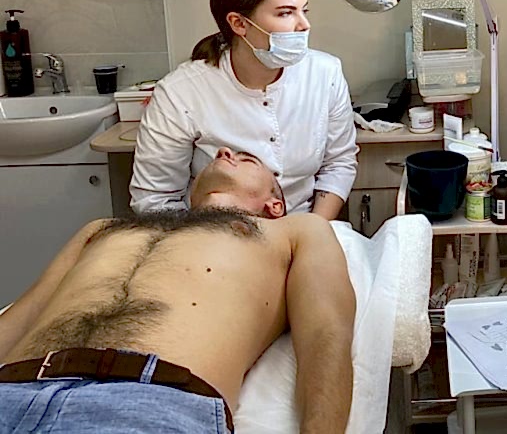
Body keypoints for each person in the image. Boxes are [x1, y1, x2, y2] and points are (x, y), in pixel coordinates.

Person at [0, 147, 355, 434]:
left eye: (246, 159)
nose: (223, 152)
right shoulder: (103, 228)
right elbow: (20, 317)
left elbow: (327, 332)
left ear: (274, 205)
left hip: (149, 401)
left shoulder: (295, 231)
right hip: (11, 388)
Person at [130, 0, 358, 220]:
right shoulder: (180, 93)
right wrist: (211, 239)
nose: (304, 25)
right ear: (239, 23)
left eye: (303, 11)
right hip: (215, 233)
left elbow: (339, 164)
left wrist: (311, 231)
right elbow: (155, 200)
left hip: (305, 224)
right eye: (285, 13)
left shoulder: (325, 74)